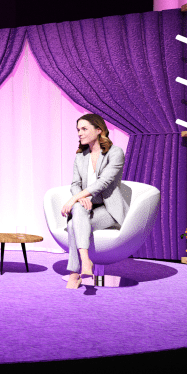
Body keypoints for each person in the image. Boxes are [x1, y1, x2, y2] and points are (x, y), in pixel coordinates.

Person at [60, 113, 128, 289]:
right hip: (85, 207)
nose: (79, 133)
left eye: (84, 129)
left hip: (108, 209)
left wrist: (75, 198)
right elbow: (75, 184)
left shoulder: (115, 153)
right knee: (78, 211)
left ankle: (74, 273)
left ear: (99, 130)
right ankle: (85, 261)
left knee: (73, 225)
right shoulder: (80, 156)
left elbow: (104, 182)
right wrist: (81, 198)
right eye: (78, 130)